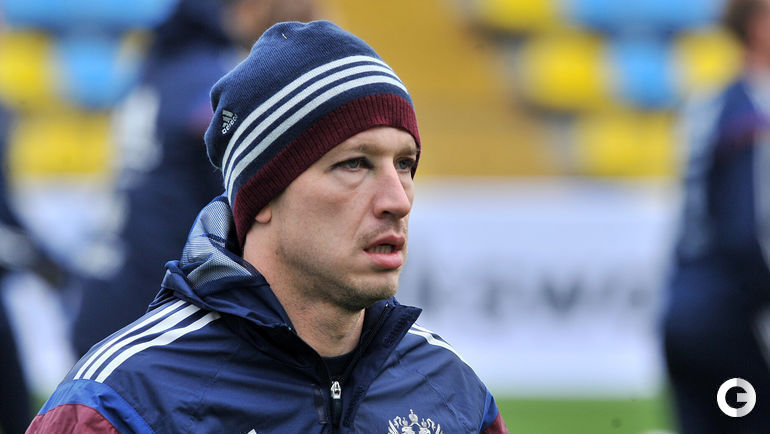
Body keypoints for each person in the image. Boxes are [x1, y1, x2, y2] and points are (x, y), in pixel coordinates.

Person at [27, 20, 508, 433]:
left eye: (405, 164)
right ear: (262, 196)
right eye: (355, 164)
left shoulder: (454, 391)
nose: (398, 201)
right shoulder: (121, 403)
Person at [70, 0, 317, 356]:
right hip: (157, 309)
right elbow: (241, 192)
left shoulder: (155, 66)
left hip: (108, 293)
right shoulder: (213, 76)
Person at [662, 0, 770, 432]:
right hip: (731, 321)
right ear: (758, 27)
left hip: (686, 308)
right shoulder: (754, 115)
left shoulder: (710, 102)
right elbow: (749, 232)